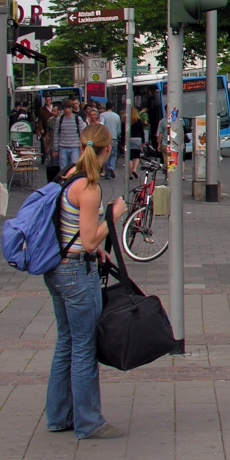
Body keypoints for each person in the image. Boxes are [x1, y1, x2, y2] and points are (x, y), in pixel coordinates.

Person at [46, 123, 128, 440]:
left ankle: (58, 416)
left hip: (55, 269)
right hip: (76, 273)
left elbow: (72, 230)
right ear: (108, 149)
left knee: (65, 341)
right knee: (83, 346)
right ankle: (88, 421)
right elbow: (91, 240)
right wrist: (113, 215)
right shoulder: (90, 187)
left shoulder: (67, 175)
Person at [52, 100, 85, 171]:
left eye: (68, 108)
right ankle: (64, 181)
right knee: (63, 169)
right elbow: (56, 135)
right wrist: (56, 149)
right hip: (63, 147)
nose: (67, 110)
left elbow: (82, 134)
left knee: (74, 168)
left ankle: (72, 181)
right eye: (65, 108)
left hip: (75, 147)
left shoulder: (78, 119)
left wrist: (82, 148)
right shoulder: (60, 120)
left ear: (72, 108)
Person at [100, 104, 121, 179]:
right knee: (113, 154)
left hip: (105, 138)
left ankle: (107, 173)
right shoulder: (117, 116)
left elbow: (101, 125)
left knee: (106, 155)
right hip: (114, 137)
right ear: (112, 107)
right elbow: (119, 129)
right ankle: (111, 166)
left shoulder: (102, 115)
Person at [128, 109, 147, 178]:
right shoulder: (138, 120)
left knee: (129, 158)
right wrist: (143, 141)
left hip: (129, 139)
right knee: (137, 156)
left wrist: (122, 142)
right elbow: (142, 131)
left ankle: (130, 174)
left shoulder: (126, 120)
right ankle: (134, 169)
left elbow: (123, 131)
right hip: (138, 139)